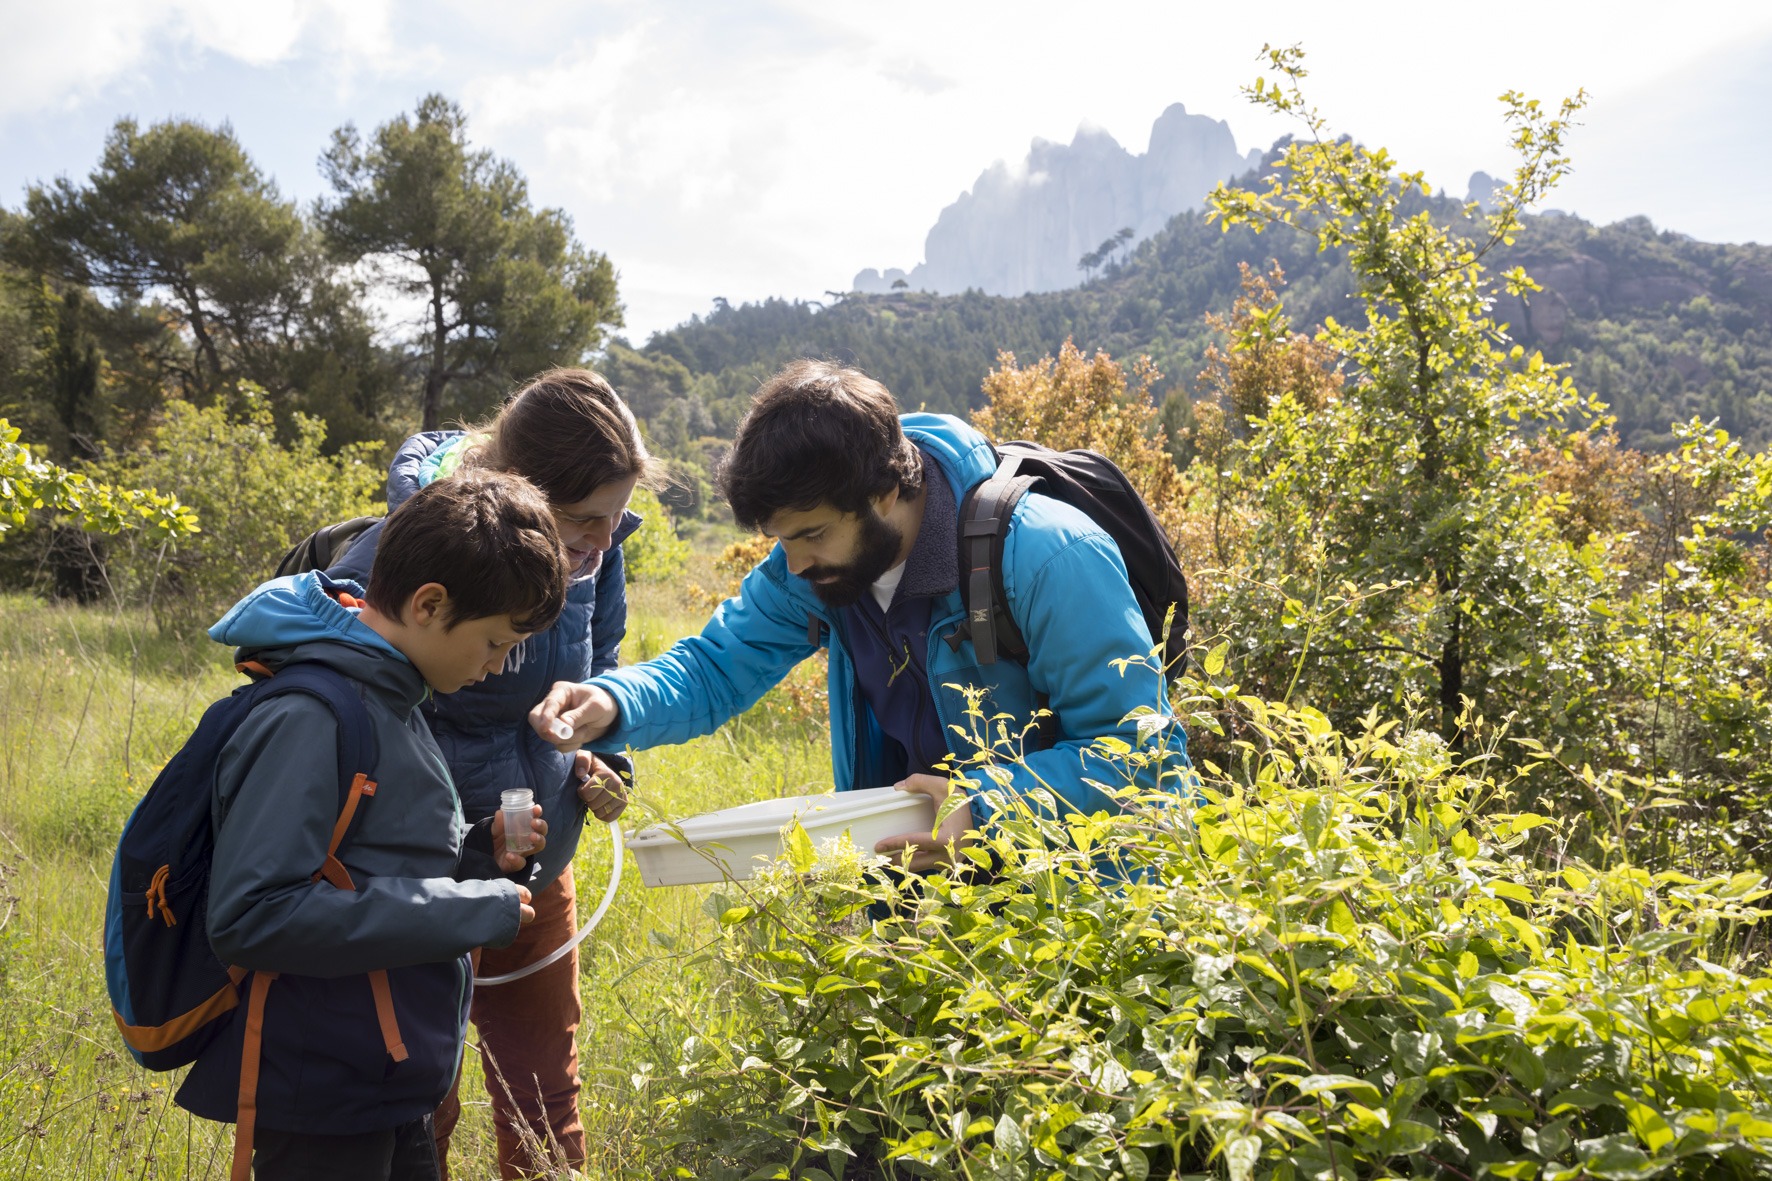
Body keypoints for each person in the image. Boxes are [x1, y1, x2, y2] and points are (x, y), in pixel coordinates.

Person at [531, 359, 1187, 869]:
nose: (792, 565)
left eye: (811, 534)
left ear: (883, 490)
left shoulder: (1047, 555)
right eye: (780, 540)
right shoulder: (819, 568)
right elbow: (714, 667)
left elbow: (1144, 756)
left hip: (1068, 895)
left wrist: (987, 806)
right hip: (926, 896)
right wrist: (613, 703)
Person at [176, 469, 571, 1181]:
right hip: (322, 1090)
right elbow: (255, 914)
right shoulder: (310, 715)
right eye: (493, 641)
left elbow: (365, 864)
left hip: (387, 1077)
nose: (498, 665)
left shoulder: (393, 694)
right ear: (429, 603)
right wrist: (465, 909)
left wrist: (477, 856)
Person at [328, 367, 664, 1179]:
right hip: (420, 876)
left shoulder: (598, 557)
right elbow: (351, 700)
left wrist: (601, 752)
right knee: (417, 1095)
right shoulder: (408, 548)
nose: (599, 544)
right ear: (517, 493)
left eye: (615, 521)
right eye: (582, 521)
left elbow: (605, 668)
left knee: (545, 1097)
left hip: (538, 861)